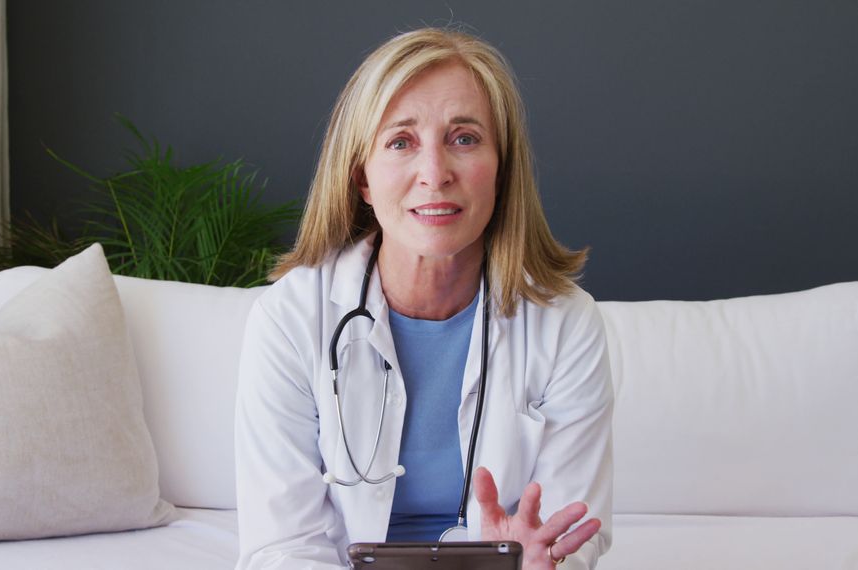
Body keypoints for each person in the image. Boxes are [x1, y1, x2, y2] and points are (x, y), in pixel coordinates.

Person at [234, 27, 614, 570]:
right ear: (361, 176)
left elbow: (565, 538)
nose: (434, 175)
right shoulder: (290, 318)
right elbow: (283, 547)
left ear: (502, 170)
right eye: (401, 142)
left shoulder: (567, 325)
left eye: (464, 138)